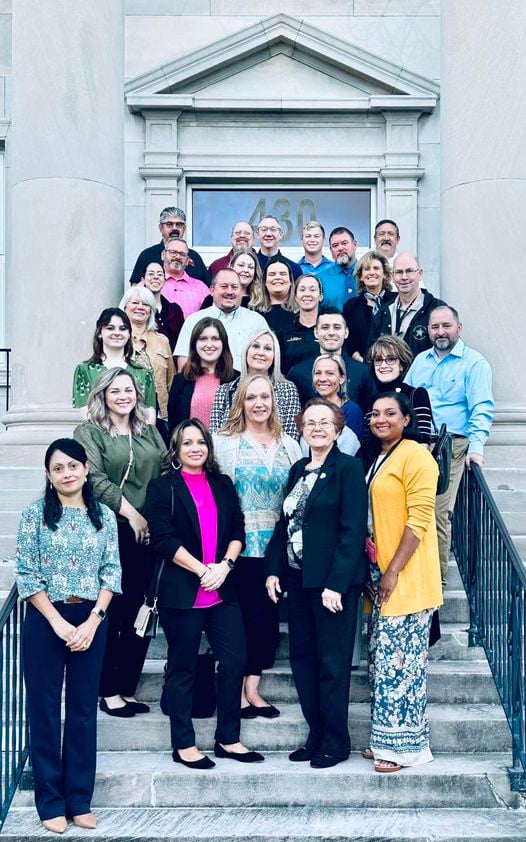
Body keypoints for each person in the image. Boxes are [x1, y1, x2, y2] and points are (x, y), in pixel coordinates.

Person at [144, 420, 264, 768]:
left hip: (222, 588)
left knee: (234, 661)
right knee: (182, 668)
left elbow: (238, 528)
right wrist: (202, 570)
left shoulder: (222, 484)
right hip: (183, 592)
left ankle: (228, 738)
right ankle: (183, 745)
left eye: (200, 442)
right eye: (187, 443)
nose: (195, 448)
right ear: (176, 450)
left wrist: (224, 565)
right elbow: (164, 539)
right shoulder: (162, 487)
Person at [15, 438, 121, 833]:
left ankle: (79, 798)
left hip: (91, 616)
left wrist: (92, 621)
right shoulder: (34, 516)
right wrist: (58, 623)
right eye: (58, 468)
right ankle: (50, 801)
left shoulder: (104, 517)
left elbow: (112, 572)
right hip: (47, 617)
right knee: (43, 708)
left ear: (86, 469)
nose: (67, 473)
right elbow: (26, 573)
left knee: (81, 711)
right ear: (49, 475)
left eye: (73, 466)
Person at [265, 398, 367, 768]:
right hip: (298, 580)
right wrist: (274, 570)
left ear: (338, 429)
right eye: (311, 423)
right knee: (303, 661)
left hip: (332, 587)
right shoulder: (297, 469)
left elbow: (352, 531)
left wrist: (336, 585)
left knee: (332, 663)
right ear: (302, 430)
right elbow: (285, 524)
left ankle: (336, 742)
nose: (318, 428)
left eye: (325, 422)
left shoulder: (349, 468)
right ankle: (316, 735)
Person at [74, 368, 167, 718]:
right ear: (102, 395)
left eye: (129, 389)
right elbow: (94, 479)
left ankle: (126, 687)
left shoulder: (149, 431)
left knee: (142, 610)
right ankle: (107, 690)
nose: (123, 396)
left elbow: (165, 469)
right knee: (115, 608)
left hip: (149, 531)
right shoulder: (91, 432)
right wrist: (132, 514)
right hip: (112, 530)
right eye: (115, 390)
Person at [213, 374, 302, 718]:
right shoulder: (225, 442)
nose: (259, 403)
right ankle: (234, 690)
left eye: (265, 396)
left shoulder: (290, 444)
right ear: (241, 402)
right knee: (238, 620)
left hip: (275, 549)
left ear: (274, 401)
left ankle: (253, 688)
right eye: (251, 397)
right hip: (237, 547)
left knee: (266, 620)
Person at [364, 391, 442, 772]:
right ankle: (386, 739)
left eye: (390, 413)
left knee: (402, 666)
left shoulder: (416, 456)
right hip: (382, 580)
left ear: (406, 418)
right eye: (375, 413)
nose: (381, 419)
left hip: (408, 579)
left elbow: (420, 518)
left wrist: (393, 569)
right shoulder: (380, 457)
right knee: (383, 664)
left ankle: (400, 750)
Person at [404, 306, 494, 584]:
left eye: (446, 326)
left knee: (438, 510)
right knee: (412, 509)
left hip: (452, 445)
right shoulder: (421, 361)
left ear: (459, 327)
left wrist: (476, 448)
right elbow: (407, 398)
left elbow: (481, 408)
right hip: (419, 444)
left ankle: (436, 579)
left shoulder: (474, 363)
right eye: (435, 327)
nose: (440, 332)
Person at [209, 329, 301, 439]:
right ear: (246, 351)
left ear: (274, 356)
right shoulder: (225, 390)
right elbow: (214, 437)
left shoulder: (287, 390)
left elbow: (292, 436)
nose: (261, 353)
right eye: (256, 346)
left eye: (268, 348)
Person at [72, 307, 157, 425]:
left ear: (129, 334)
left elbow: (149, 413)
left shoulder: (143, 371)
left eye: (123, 329)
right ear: (100, 333)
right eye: (110, 328)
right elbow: (86, 413)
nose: (117, 333)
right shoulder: (85, 370)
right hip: (99, 438)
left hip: (137, 438)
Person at [174, 268, 268, 370]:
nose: (229, 291)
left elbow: (267, 359)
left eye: (234, 287)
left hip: (245, 384)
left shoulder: (257, 322)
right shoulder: (194, 321)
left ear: (241, 291)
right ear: (212, 290)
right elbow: (184, 363)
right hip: (205, 384)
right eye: (224, 287)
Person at [288, 307, 372, 411]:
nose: (331, 332)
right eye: (325, 327)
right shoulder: (298, 372)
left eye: (337, 327)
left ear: (346, 333)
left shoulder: (362, 371)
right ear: (316, 332)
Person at [364, 335, 434, 454]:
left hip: (409, 464)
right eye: (378, 360)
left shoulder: (416, 394)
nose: (384, 365)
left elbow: (423, 442)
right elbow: (369, 441)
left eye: (391, 359)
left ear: (401, 365)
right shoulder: (370, 399)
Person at [367, 252, 445, 359]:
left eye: (409, 271)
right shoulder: (383, 312)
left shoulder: (437, 309)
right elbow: (371, 355)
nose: (404, 277)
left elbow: (446, 351)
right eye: (399, 272)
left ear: (420, 274)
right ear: (392, 276)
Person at [120, 286, 175, 433]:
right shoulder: (117, 340)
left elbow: (170, 381)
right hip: (122, 414)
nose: (140, 307)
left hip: (158, 417)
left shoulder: (162, 341)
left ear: (151, 310)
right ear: (125, 307)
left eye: (146, 304)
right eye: (135, 303)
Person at [167, 317, 236, 431]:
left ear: (223, 343)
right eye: (203, 339)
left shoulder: (237, 379)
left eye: (215, 339)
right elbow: (174, 426)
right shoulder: (180, 381)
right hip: (191, 447)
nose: (209, 345)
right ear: (195, 343)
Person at [129, 206, 210, 285]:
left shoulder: (194, 256)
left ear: (184, 229)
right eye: (169, 224)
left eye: (179, 224)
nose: (174, 228)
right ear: (161, 228)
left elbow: (208, 289)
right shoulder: (147, 255)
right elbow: (135, 288)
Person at [343, 250, 396, 362]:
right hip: (362, 366)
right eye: (367, 269)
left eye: (376, 268)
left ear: (385, 274)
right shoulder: (350, 307)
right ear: (361, 276)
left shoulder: (396, 300)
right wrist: (360, 360)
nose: (371, 273)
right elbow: (348, 340)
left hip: (393, 365)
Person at [311, 354, 364, 442]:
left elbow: (349, 449)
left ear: (341, 379)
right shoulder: (309, 409)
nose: (322, 378)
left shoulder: (351, 411)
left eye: (330, 373)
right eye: (318, 373)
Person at [279, 273, 323, 375]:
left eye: (312, 290)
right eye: (302, 290)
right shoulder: (284, 334)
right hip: (292, 389)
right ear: (295, 296)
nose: (307, 294)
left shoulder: (329, 331)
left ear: (320, 296)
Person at [159, 236, 210, 317]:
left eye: (182, 254)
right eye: (173, 252)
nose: (178, 257)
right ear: (163, 255)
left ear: (187, 261)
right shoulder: (150, 283)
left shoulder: (201, 288)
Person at [140, 261, 184, 351]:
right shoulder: (138, 309)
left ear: (164, 280)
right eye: (151, 274)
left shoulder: (175, 310)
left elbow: (182, 342)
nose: (155, 277)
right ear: (143, 280)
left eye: (160, 274)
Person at [249, 256, 297, 333]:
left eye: (283, 274)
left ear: (291, 281)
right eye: (272, 274)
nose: (277, 277)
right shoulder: (253, 312)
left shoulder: (300, 311)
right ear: (265, 282)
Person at [317, 226, 358, 309]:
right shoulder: (320, 279)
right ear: (331, 250)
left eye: (344, 243)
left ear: (355, 245)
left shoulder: (369, 275)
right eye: (335, 245)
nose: (340, 248)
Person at [256, 215, 302, 280]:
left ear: (281, 234)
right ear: (257, 234)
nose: (268, 234)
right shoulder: (250, 266)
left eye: (273, 229)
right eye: (264, 229)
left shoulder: (294, 268)